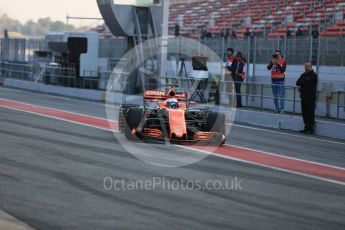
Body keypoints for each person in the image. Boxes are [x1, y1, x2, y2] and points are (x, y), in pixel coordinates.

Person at [296, 62, 318, 134]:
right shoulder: (304, 74)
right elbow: (297, 82)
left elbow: (311, 81)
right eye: (305, 66)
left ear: (311, 67)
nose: (306, 68)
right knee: (304, 113)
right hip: (304, 97)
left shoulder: (314, 75)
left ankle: (310, 129)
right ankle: (306, 128)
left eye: (308, 66)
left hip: (310, 97)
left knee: (310, 113)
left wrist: (303, 82)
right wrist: (305, 82)